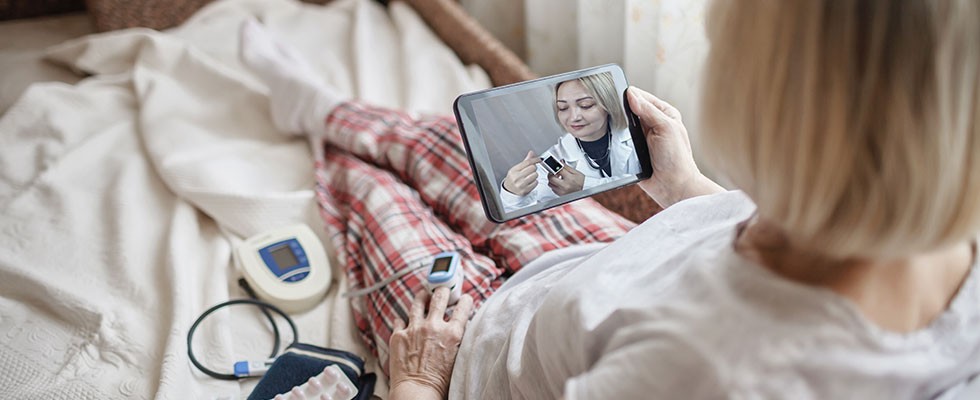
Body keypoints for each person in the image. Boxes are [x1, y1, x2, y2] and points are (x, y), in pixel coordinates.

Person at [238, 0, 980, 397]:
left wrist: (418, 381)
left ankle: (325, 140)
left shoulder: (706, 374)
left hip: (469, 357)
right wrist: (688, 190)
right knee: (444, 147)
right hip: (600, 271)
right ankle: (325, 109)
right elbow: (763, 248)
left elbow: (718, 331)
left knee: (371, 193)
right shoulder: (914, 228)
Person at [500, 73, 641, 211]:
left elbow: (645, 189)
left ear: (608, 105)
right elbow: (528, 217)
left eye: (586, 105)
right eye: (563, 108)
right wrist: (511, 194)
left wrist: (584, 187)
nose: (574, 117)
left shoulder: (638, 137)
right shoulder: (549, 163)